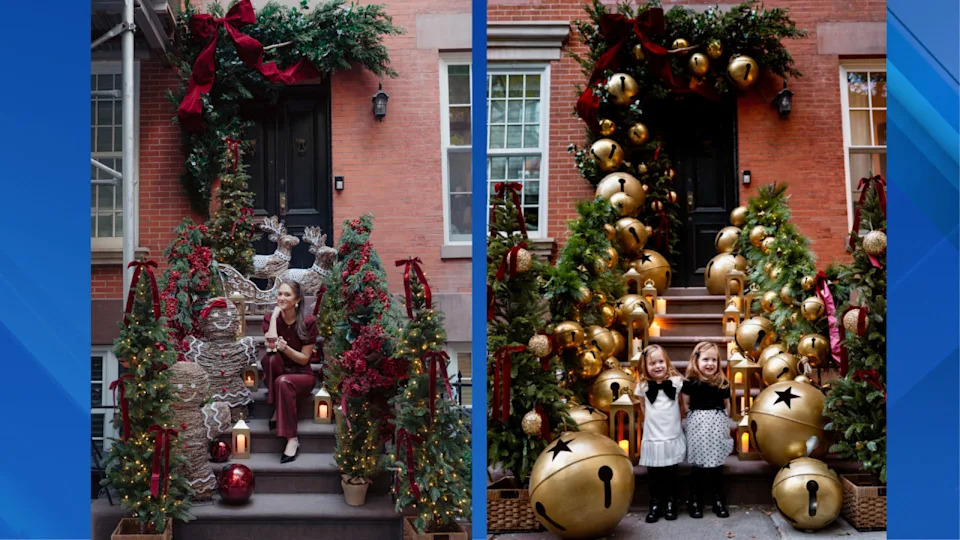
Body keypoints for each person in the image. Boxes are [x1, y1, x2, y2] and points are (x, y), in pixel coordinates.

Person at [261, 279, 317, 463]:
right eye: (279, 294)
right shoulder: (271, 319)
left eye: (287, 294)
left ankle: (292, 439)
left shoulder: (308, 322)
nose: (281, 298)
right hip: (278, 370)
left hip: (302, 376)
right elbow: (270, 347)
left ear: (297, 299)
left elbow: (304, 359)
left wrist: (286, 349)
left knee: (283, 381)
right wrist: (276, 314)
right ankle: (278, 405)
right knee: (269, 359)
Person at [633, 344, 685, 523]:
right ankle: (655, 504)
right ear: (644, 367)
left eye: (661, 361)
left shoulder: (676, 382)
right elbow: (642, 407)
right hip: (653, 436)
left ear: (667, 362)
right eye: (652, 363)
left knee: (671, 472)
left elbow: (682, 405)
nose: (658, 366)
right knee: (654, 474)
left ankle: (671, 502)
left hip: (671, 433)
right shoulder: (643, 386)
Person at [681, 342, 733, 518]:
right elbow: (686, 404)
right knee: (699, 467)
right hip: (698, 425)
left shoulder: (723, 382)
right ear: (696, 361)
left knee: (716, 466)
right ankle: (695, 500)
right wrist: (695, 421)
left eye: (714, 360)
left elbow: (727, 405)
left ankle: (718, 500)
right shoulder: (690, 383)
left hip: (717, 424)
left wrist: (724, 423)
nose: (710, 364)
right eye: (705, 359)